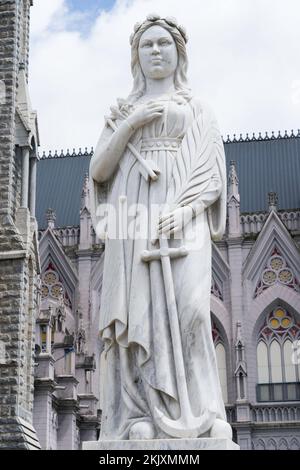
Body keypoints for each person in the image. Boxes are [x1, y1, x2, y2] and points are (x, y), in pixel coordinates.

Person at [90, 14, 232, 441]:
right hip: (132, 218)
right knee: (138, 317)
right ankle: (137, 416)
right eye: (147, 45)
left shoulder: (199, 109)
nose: (155, 51)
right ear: (136, 56)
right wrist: (131, 124)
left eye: (163, 44)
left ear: (178, 53)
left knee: (191, 311)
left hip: (183, 219)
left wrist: (186, 212)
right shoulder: (122, 112)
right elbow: (99, 171)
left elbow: (213, 175)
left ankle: (202, 412)